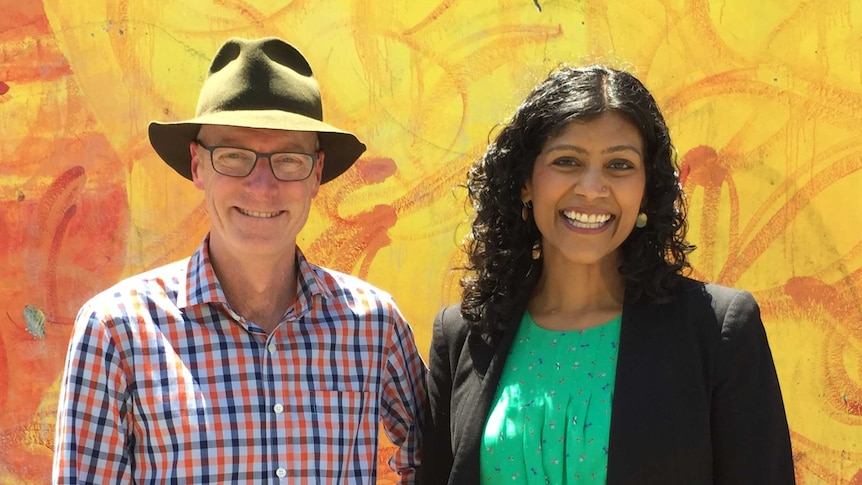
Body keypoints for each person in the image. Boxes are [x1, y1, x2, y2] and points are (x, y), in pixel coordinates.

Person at [53, 37, 426, 483]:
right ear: (197, 166)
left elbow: (437, 454)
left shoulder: (374, 325)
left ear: (317, 173)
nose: (262, 187)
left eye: (288, 160)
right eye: (234, 157)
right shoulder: (117, 331)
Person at [421, 65, 795, 484]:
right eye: (567, 161)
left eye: (619, 165)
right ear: (526, 182)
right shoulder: (463, 336)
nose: (592, 188)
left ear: (646, 188)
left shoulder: (716, 329)